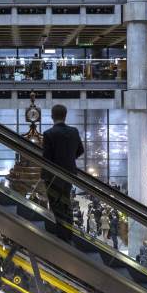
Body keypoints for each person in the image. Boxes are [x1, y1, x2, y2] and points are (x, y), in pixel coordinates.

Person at [41, 103, 84, 241]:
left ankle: (62, 235)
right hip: (69, 174)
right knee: (66, 203)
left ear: (52, 116)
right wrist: (69, 159)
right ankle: (68, 233)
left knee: (56, 204)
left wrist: (43, 176)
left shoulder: (49, 134)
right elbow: (80, 150)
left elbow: (46, 158)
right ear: (65, 116)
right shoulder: (74, 131)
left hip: (53, 176)